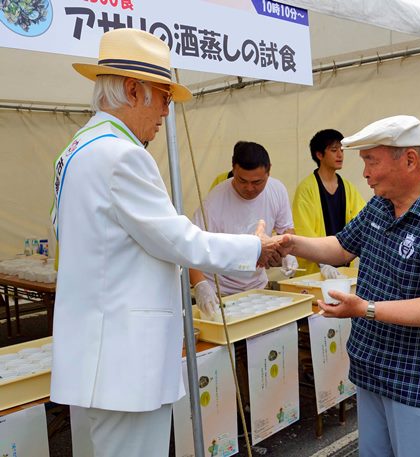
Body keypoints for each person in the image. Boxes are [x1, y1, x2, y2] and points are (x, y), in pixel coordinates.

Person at [49, 29, 286, 457]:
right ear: (132, 90)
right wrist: (255, 248)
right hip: (126, 361)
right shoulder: (122, 155)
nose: (165, 111)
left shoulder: (75, 151)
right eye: (163, 96)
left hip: (97, 356)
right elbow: (177, 239)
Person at [287, 115, 420, 457]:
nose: (365, 173)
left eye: (371, 161)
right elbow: (342, 246)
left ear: (409, 160)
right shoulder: (381, 204)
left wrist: (364, 309)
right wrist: (288, 243)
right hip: (372, 367)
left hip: (418, 380)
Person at [189, 141, 297, 315]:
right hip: (220, 291)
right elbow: (191, 248)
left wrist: (288, 251)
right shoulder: (214, 202)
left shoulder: (277, 190)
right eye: (242, 180)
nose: (249, 188)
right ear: (233, 168)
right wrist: (200, 284)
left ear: (269, 171)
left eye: (257, 182)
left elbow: (286, 229)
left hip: (258, 287)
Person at [291, 129, 365, 277]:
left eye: (341, 150)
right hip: (313, 272)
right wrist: (323, 262)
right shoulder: (306, 189)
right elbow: (304, 230)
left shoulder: (348, 188)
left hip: (344, 270)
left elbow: (362, 221)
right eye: (334, 150)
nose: (340, 155)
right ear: (319, 155)